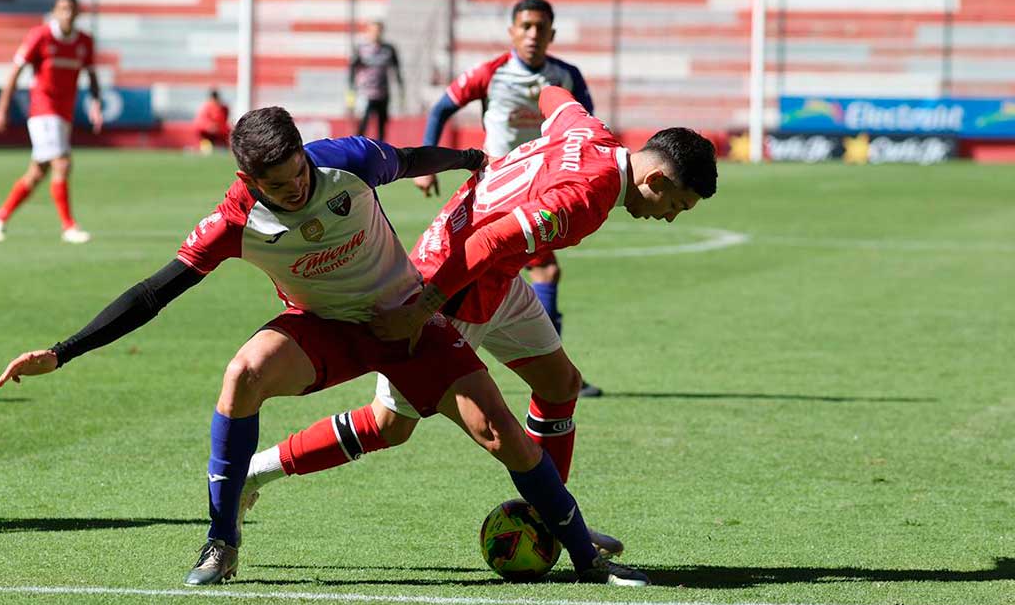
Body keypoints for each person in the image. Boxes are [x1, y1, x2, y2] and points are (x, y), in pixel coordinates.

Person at [0, 106, 649, 588]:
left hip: (405, 318)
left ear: (304, 153)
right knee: (243, 373)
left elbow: (406, 158)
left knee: (500, 430)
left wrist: (465, 162)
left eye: (297, 173)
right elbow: (153, 293)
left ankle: (588, 560)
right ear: (248, 179)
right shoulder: (233, 221)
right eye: (277, 186)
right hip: (324, 329)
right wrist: (64, 350)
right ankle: (222, 541)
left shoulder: (344, 159)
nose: (295, 190)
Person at [243, 87, 718, 566]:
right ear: (655, 178)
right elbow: (490, 239)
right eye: (677, 204)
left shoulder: (590, 132)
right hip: (453, 285)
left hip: (495, 279)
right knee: (389, 426)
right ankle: (254, 473)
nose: (670, 217)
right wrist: (419, 309)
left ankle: (552, 513)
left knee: (559, 382)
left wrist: (509, 149)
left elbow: (553, 95)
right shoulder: (586, 197)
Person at [412, 0, 603, 395]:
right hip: (500, 187)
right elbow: (441, 108)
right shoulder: (491, 73)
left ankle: (469, 356)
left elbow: (585, 122)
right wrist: (429, 164)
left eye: (540, 27)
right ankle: (547, 370)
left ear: (552, 33)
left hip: (542, 187)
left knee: (509, 273)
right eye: (526, 27)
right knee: (536, 271)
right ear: (512, 32)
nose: (533, 35)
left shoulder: (567, 76)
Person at [0, 0, 102, 245]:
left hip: (64, 113)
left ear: (78, 13)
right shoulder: (40, 36)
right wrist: (2, 107)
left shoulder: (84, 41)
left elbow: (92, 75)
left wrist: (95, 103)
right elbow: (15, 71)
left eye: (71, 9)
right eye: (62, 9)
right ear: (54, 11)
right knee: (62, 163)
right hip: (42, 109)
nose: (67, 13)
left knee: (38, 172)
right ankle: (68, 226)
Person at [348, 20, 404, 142]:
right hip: (365, 94)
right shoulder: (360, 49)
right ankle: (358, 151)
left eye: (378, 31)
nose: (376, 34)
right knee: (362, 126)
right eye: (373, 31)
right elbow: (352, 71)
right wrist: (350, 96)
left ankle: (381, 154)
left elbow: (397, 70)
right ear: (368, 32)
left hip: (383, 93)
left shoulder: (389, 49)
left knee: (382, 127)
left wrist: (401, 92)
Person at [194, 89, 231, 153]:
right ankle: (207, 147)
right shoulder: (206, 107)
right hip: (207, 133)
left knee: (228, 134)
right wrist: (208, 126)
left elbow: (224, 122)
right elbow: (200, 122)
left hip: (220, 132)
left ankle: (223, 148)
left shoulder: (223, 108)